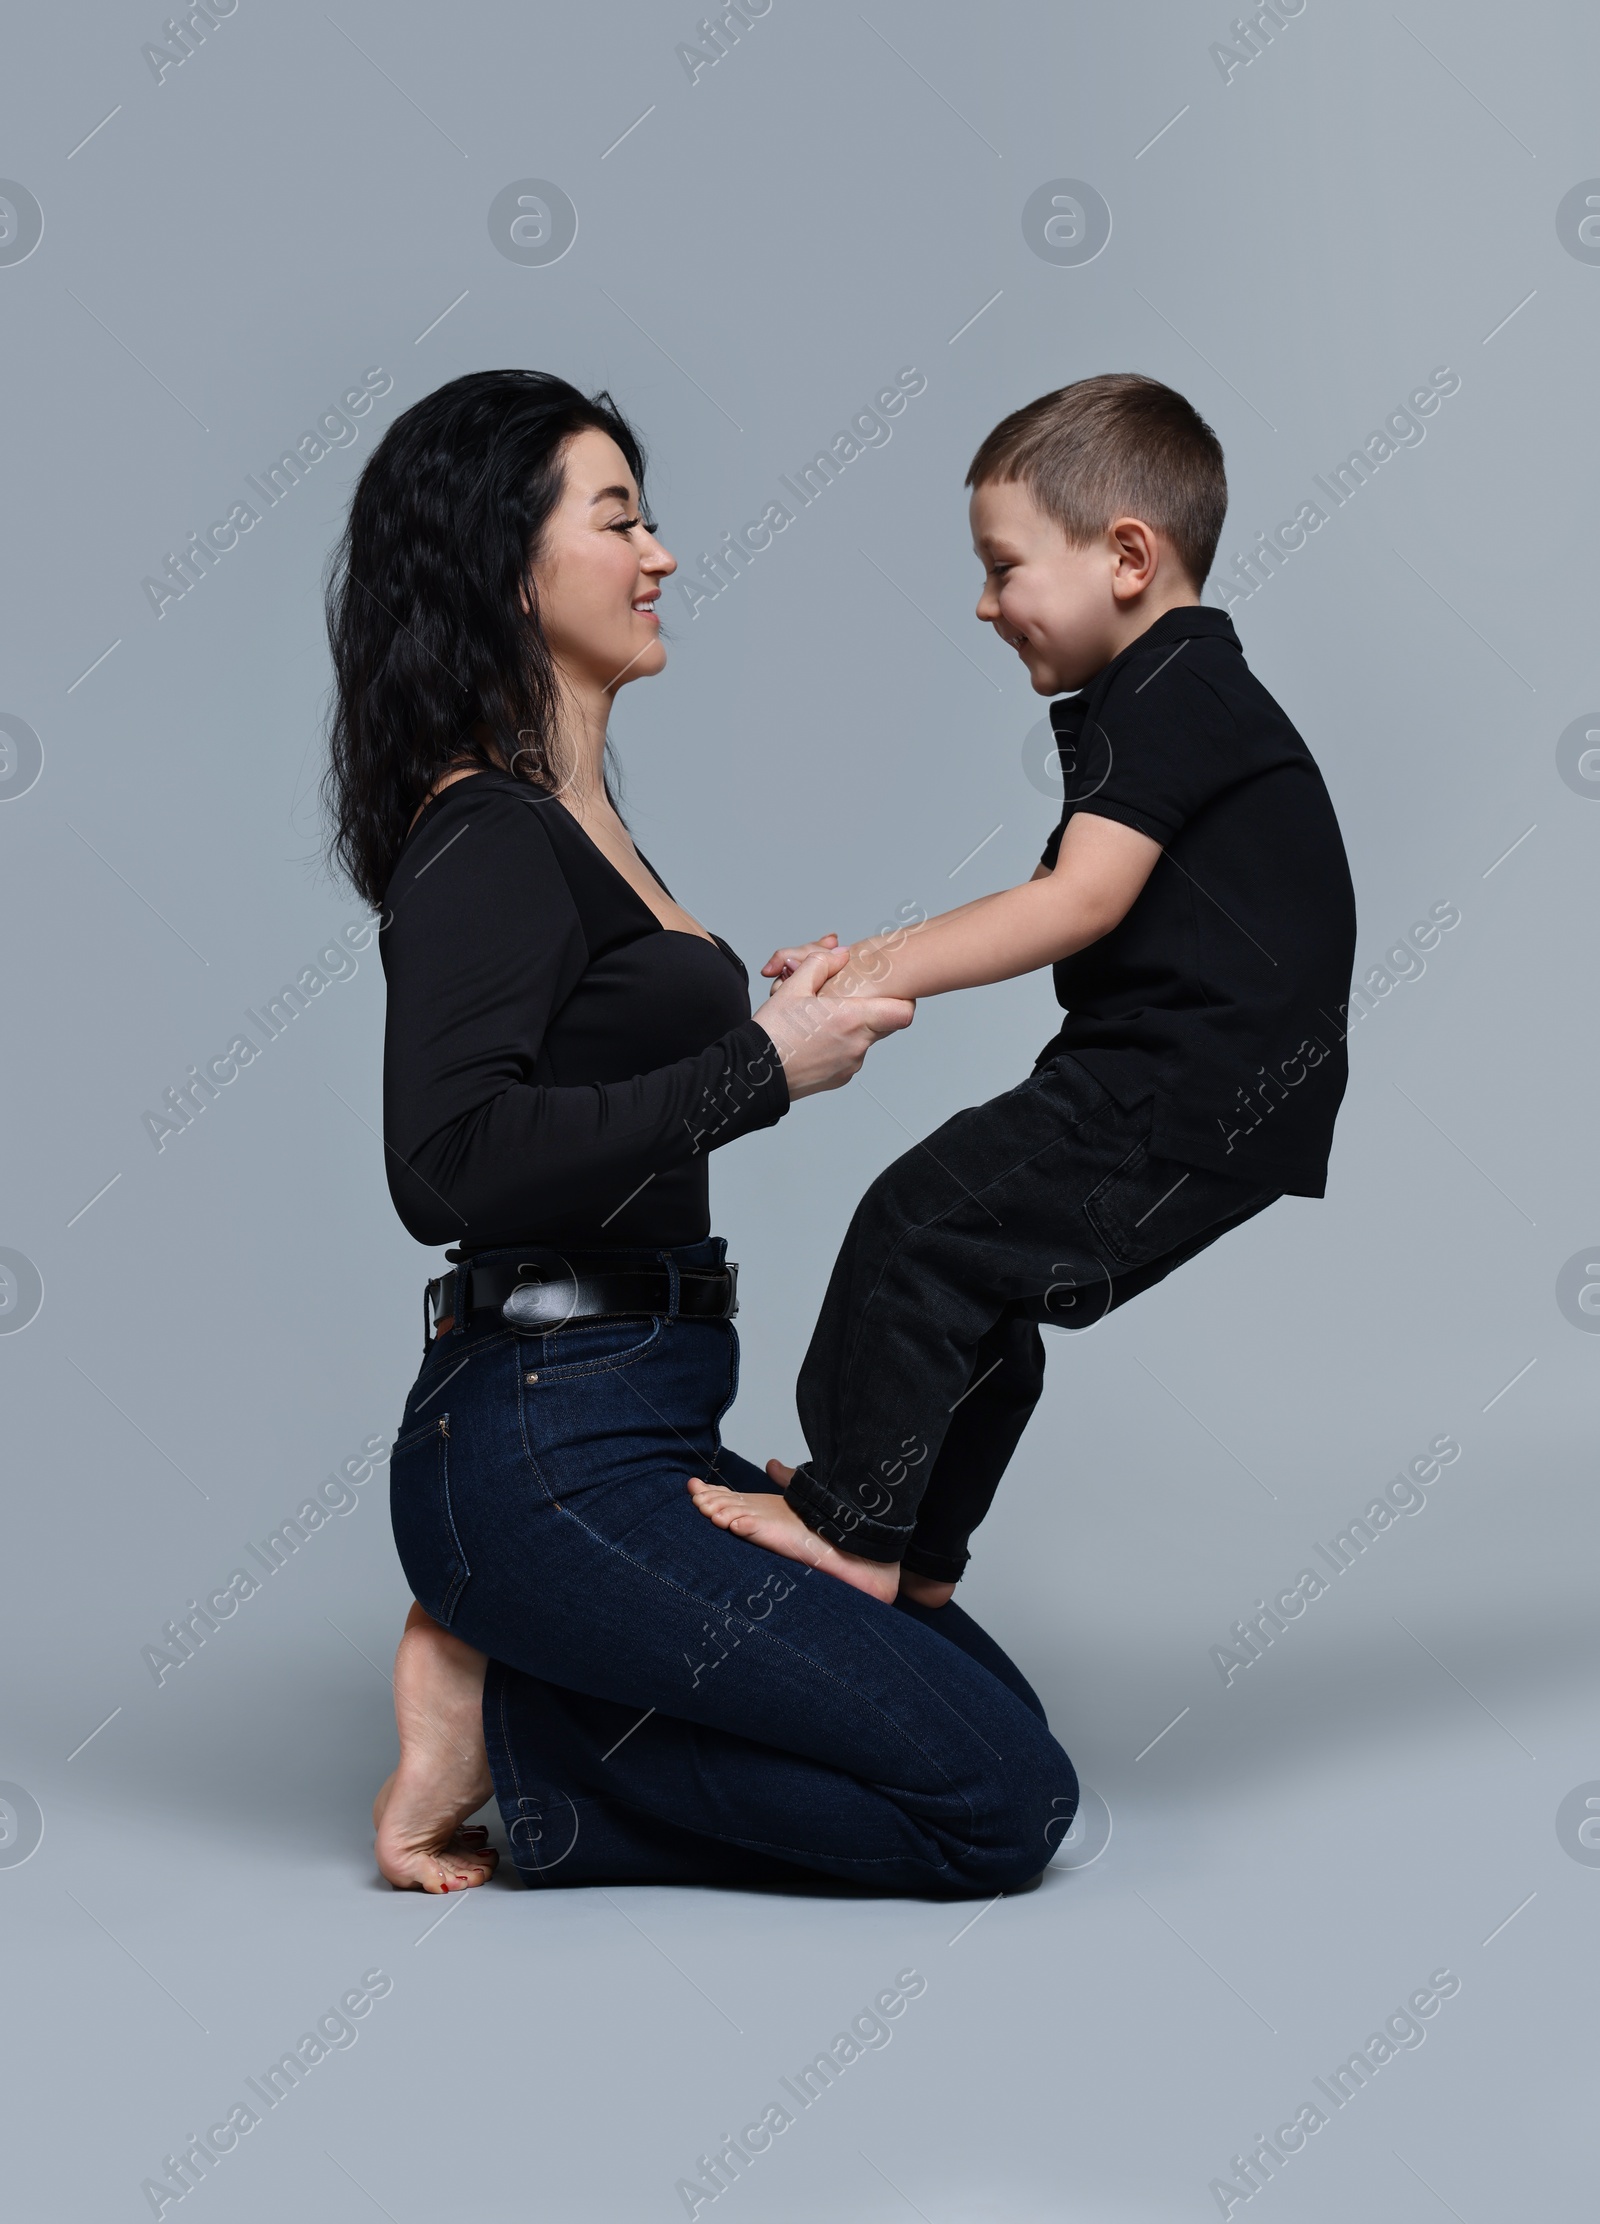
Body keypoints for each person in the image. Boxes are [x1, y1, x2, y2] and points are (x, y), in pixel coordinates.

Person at [322, 367, 1080, 1894]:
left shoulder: (586, 821)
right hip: (538, 1450)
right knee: (999, 1806)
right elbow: (446, 1164)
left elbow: (618, 1077)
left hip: (647, 1417)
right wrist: (757, 1065)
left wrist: (788, 1017)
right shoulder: (483, 833)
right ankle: (518, 1731)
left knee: (985, 1709)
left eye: (649, 518)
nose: (660, 555)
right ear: (502, 566)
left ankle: (524, 1695)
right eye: (618, 521)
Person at [690, 374, 1358, 1603]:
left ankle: (853, 1528)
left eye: (1004, 568)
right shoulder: (1168, 696)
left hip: (1174, 1090)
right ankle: (915, 1554)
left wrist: (874, 966)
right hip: (1196, 1096)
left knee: (915, 1229)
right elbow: (1065, 894)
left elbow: (1070, 908)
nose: (983, 604)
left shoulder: (1172, 687)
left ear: (1125, 556)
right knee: (982, 1289)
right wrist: (860, 963)